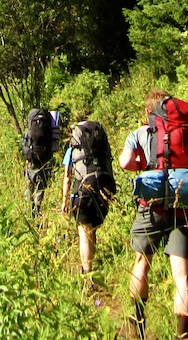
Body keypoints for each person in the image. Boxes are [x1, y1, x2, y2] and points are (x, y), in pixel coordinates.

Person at [119, 88, 188, 340]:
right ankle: (182, 335)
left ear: (148, 112)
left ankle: (136, 326)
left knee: (142, 263)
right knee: (182, 276)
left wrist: (146, 169)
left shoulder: (141, 132)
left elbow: (125, 163)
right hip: (187, 207)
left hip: (153, 205)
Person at [57, 116, 115, 276]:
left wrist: (64, 201)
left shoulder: (73, 150)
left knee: (84, 232)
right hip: (102, 187)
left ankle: (87, 272)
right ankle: (91, 265)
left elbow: (67, 178)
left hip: (82, 191)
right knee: (92, 230)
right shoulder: (100, 150)